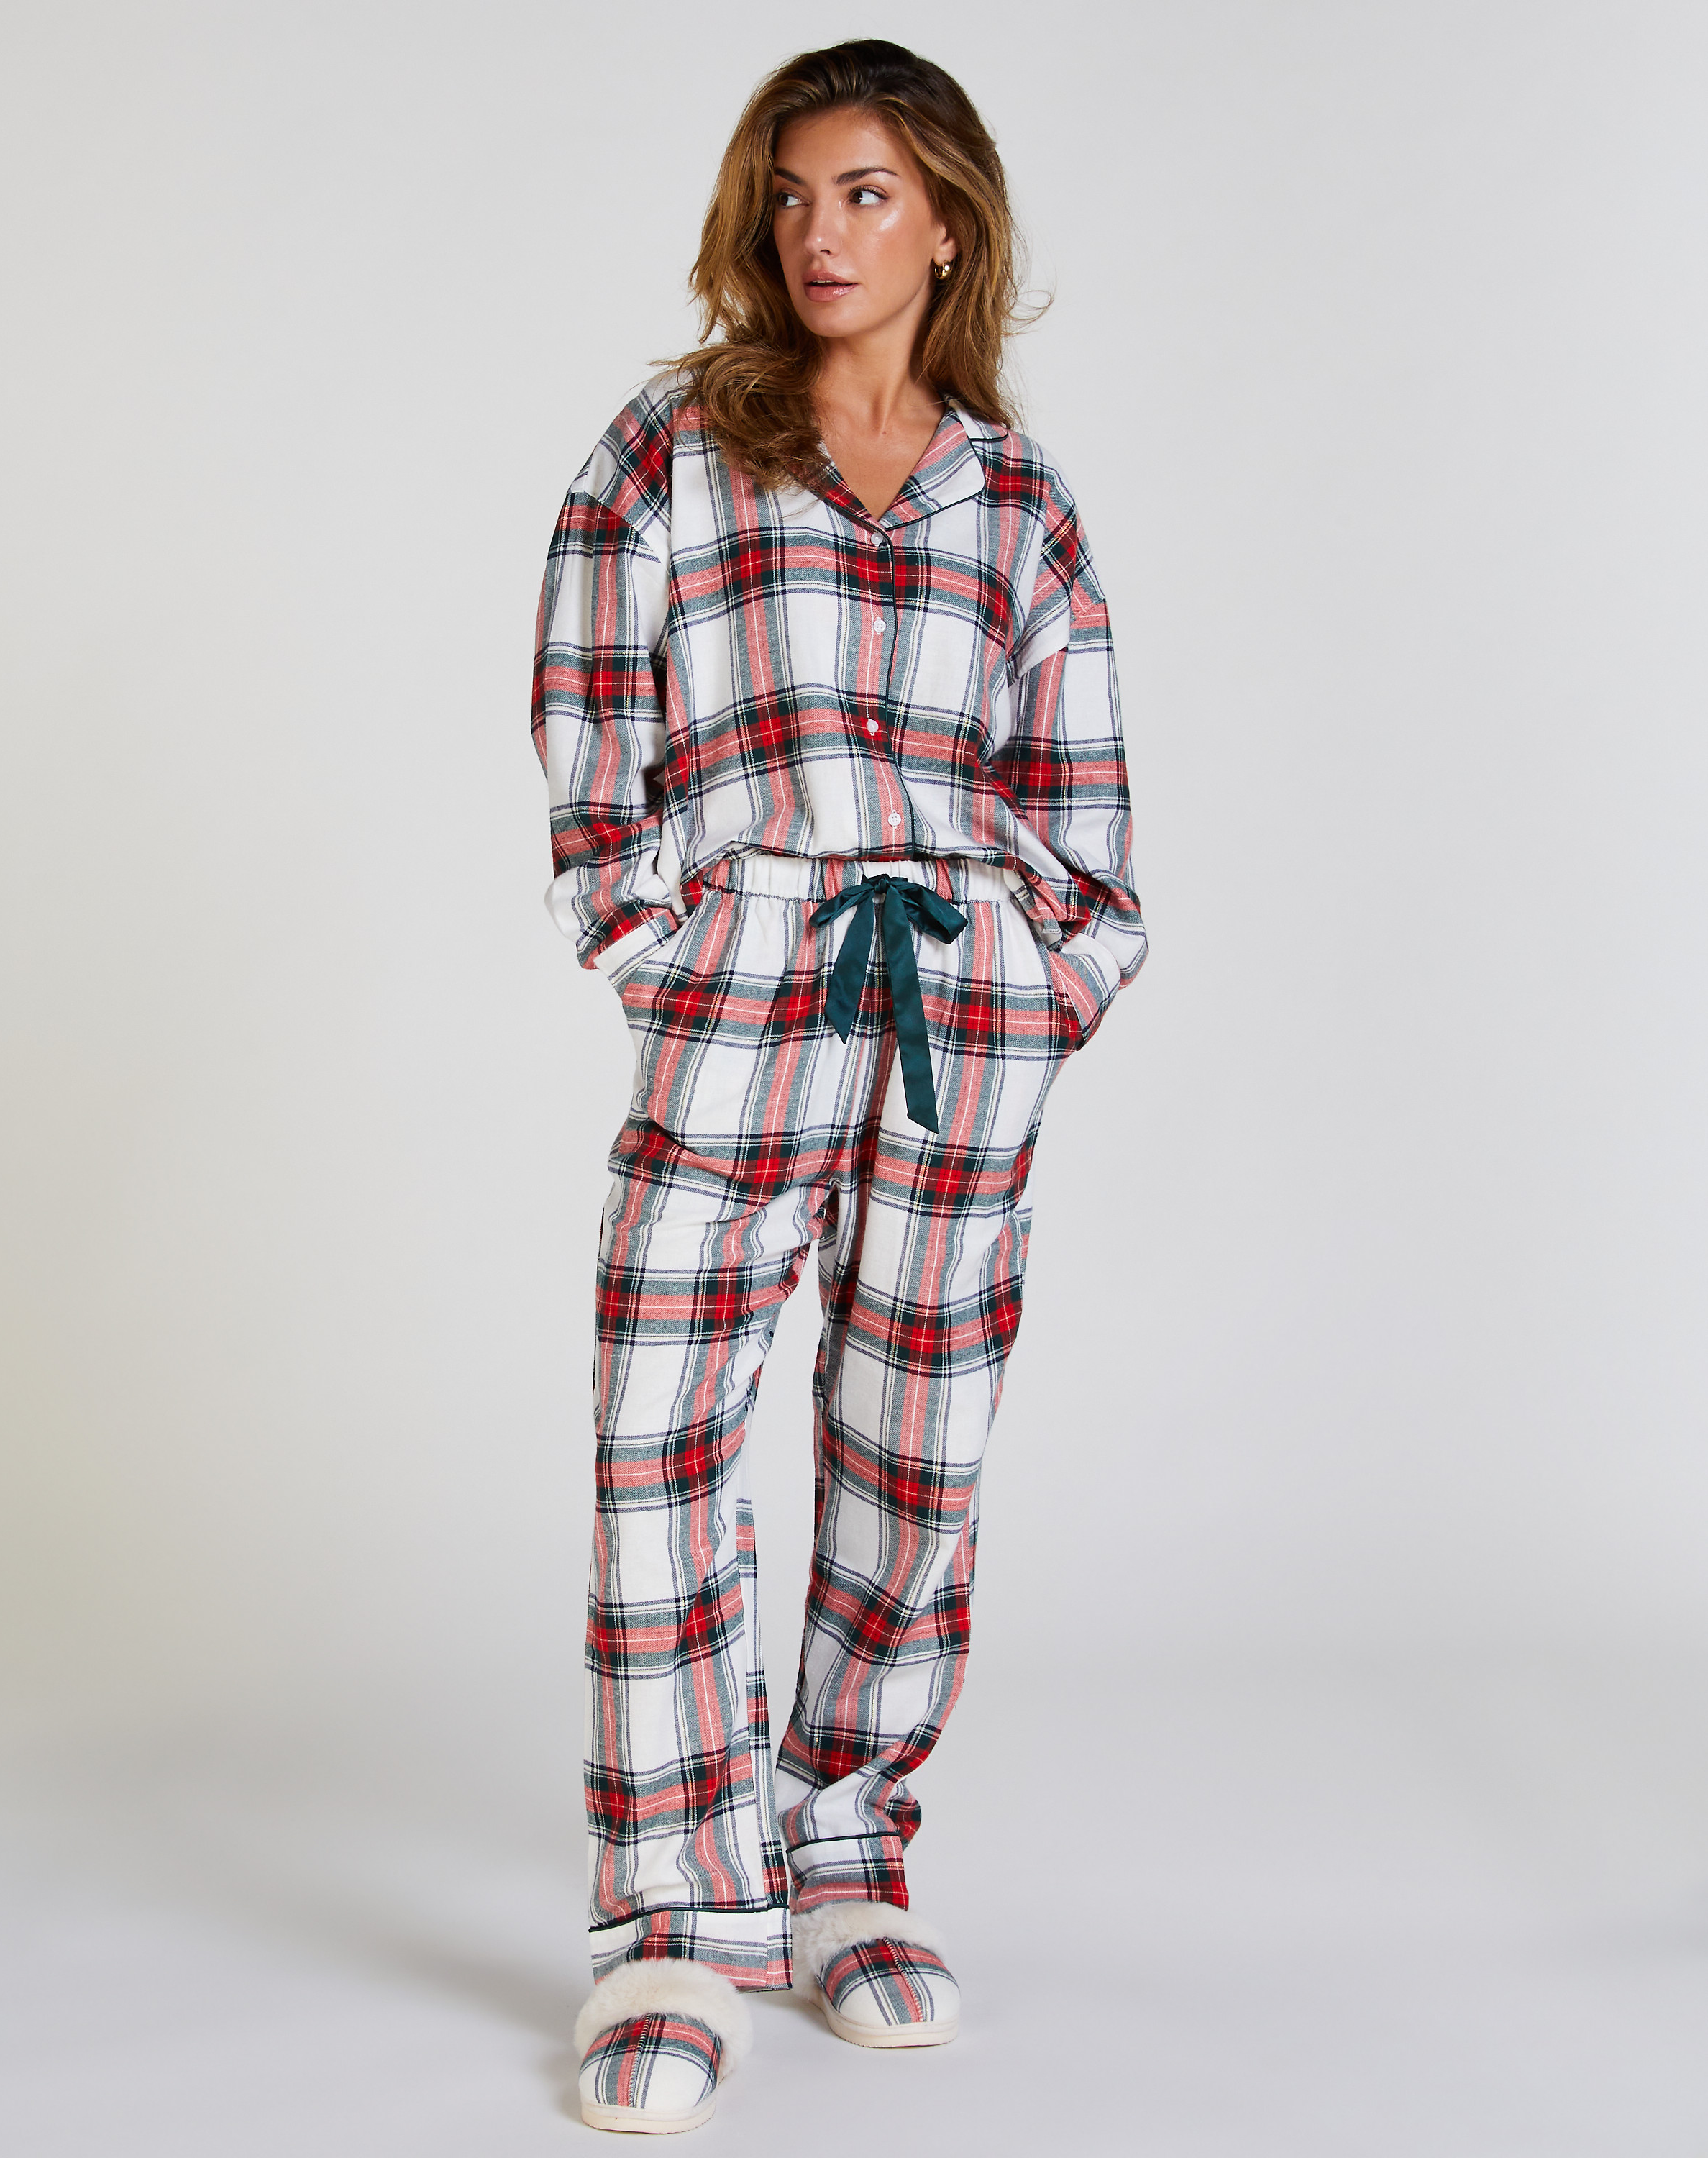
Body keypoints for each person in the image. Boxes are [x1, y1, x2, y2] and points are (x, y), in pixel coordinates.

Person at [531, 37, 1146, 2134]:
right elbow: (590, 727)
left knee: (914, 1450)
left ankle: (844, 1861)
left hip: (952, 1016)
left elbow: (1081, 795)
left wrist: (1046, 979)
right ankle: (669, 1921)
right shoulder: (669, 452)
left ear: (947, 223)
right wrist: (666, 936)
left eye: (867, 193)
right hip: (743, 996)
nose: (821, 232)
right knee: (661, 1436)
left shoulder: (1012, 498)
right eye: (792, 194)